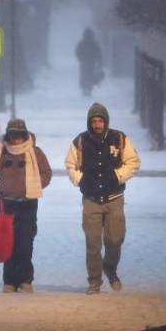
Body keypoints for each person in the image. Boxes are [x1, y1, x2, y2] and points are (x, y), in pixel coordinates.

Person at [65, 103, 141, 295]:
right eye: (93, 121)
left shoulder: (120, 138)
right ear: (89, 122)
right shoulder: (80, 141)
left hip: (114, 198)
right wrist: (79, 179)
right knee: (93, 243)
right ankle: (94, 281)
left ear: (106, 121)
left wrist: (118, 176)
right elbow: (70, 164)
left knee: (115, 240)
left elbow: (133, 162)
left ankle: (110, 268)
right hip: (90, 199)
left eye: (100, 120)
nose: (97, 125)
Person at [0, 118, 52, 293]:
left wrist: (33, 184)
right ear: (9, 135)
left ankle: (25, 280)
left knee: (25, 242)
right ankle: (9, 281)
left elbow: (47, 173)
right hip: (7, 204)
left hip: (28, 203)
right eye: (14, 135)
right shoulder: (0, 151)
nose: (17, 139)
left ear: (25, 134)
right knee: (8, 242)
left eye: (20, 135)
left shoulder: (36, 152)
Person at [75, 28, 103, 96]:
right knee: (90, 75)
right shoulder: (94, 43)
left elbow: (77, 51)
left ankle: (84, 88)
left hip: (84, 61)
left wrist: (80, 58)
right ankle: (89, 89)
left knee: (84, 75)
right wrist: (99, 61)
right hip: (91, 61)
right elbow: (98, 52)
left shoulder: (82, 42)